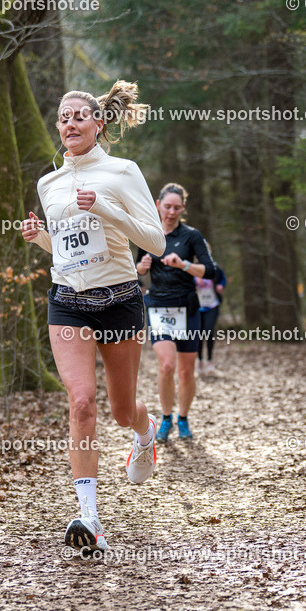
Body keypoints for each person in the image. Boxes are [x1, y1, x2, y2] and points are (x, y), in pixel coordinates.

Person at [20, 81, 165, 554]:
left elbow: (155, 243)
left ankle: (145, 435)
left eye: (80, 116)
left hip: (120, 298)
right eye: (63, 117)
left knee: (122, 411)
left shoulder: (123, 172)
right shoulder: (49, 183)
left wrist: (103, 207)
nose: (70, 124)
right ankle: (89, 518)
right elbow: (67, 250)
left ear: (99, 124)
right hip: (68, 300)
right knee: (81, 402)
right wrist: (41, 237)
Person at [135, 183, 215, 443]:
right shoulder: (148, 233)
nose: (171, 212)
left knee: (185, 372)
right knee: (167, 365)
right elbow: (137, 269)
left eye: (176, 207)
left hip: (187, 307)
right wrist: (141, 267)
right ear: (158, 205)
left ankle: (183, 418)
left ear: (183, 208)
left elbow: (210, 270)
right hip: (159, 306)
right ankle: (166, 417)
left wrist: (185, 264)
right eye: (167, 206)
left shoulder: (191, 236)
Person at [195, 247, 226, 375]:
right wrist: (194, 280)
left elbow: (222, 278)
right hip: (197, 306)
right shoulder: (190, 268)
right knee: (198, 334)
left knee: (208, 331)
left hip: (212, 304)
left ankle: (210, 361)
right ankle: (199, 361)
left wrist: (220, 285)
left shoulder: (214, 267)